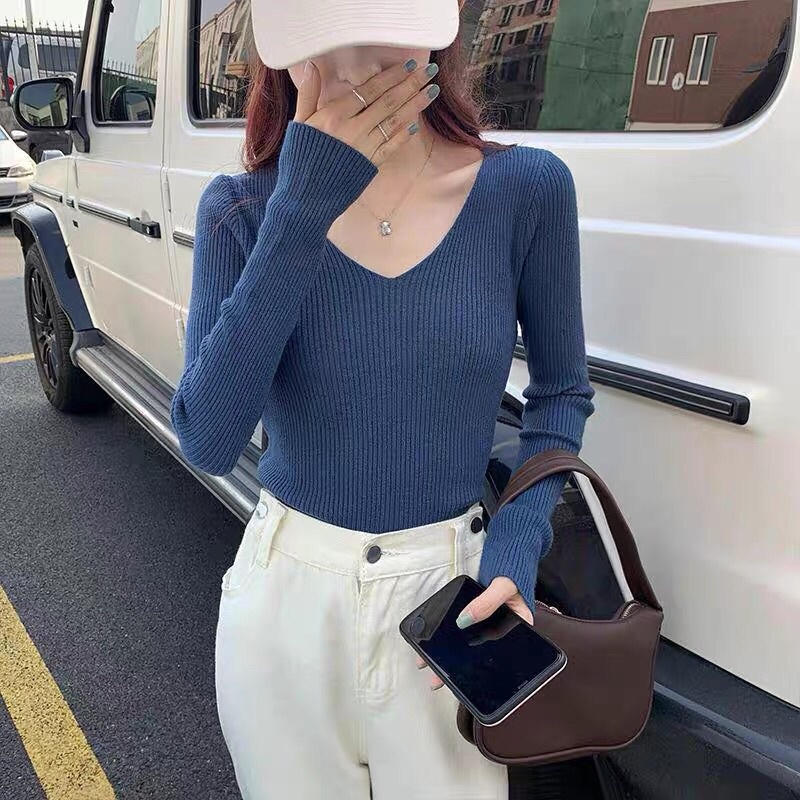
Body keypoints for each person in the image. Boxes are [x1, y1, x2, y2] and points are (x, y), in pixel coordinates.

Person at [170, 0, 595, 797]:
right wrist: (302, 208)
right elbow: (208, 438)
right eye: (322, 40)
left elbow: (561, 394)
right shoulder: (243, 210)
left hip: (450, 607)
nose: (356, 66)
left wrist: (515, 549)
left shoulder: (526, 189)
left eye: (381, 27)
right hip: (288, 602)